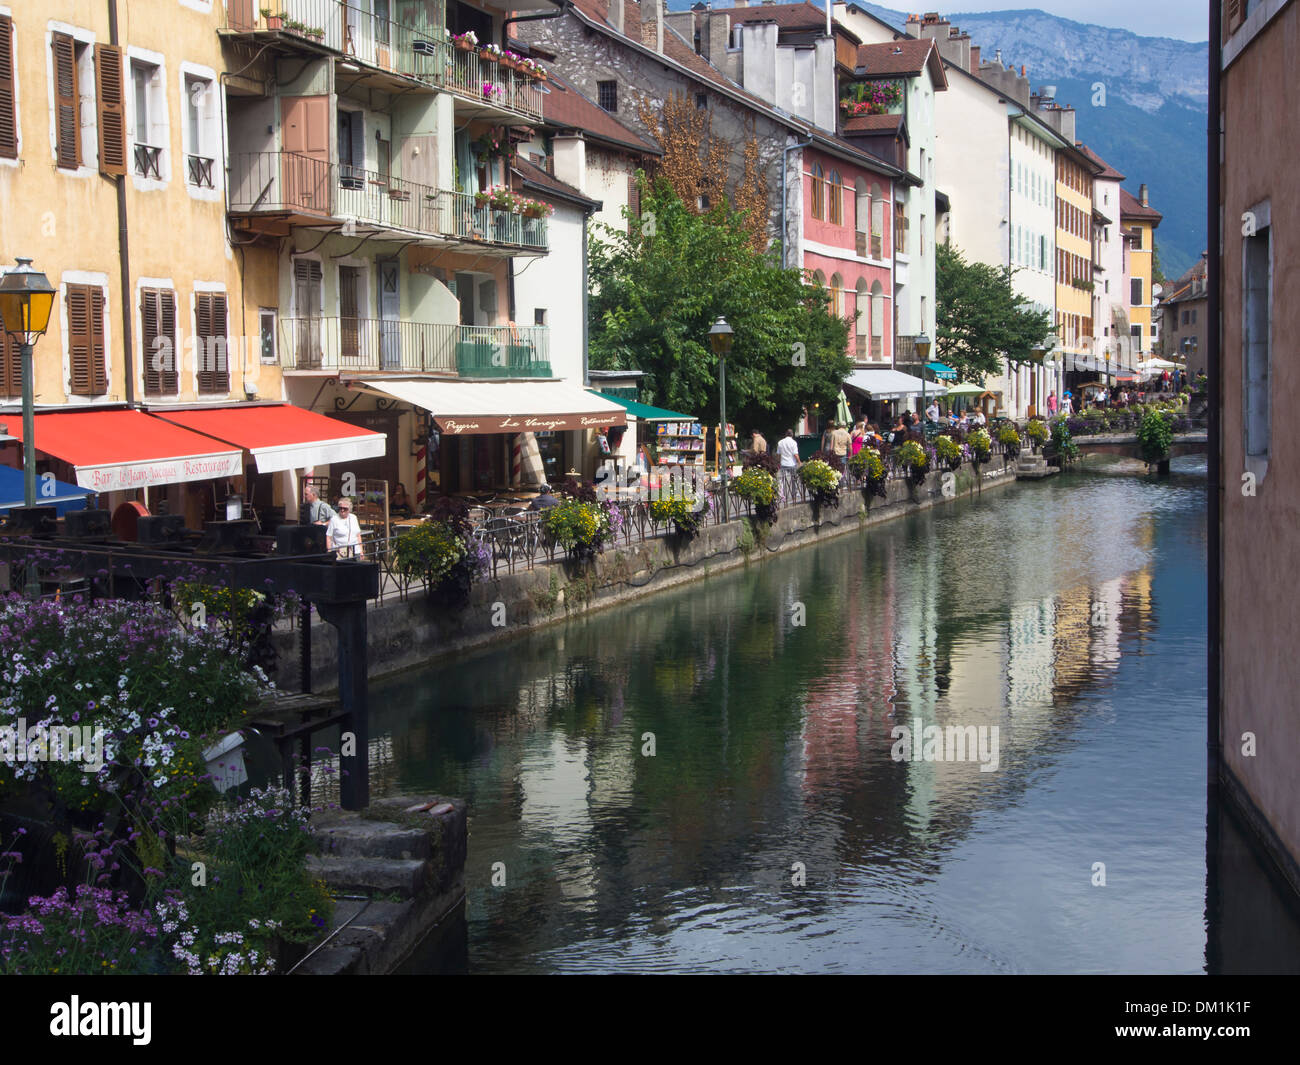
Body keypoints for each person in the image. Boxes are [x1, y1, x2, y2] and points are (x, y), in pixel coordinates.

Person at [776, 429, 800, 497]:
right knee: (794, 479)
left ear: (786, 434)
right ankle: (794, 493)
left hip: (783, 463)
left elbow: (778, 454)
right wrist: (799, 462)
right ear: (792, 434)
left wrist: (778, 462)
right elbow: (795, 454)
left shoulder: (780, 442)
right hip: (792, 463)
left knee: (782, 479)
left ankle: (781, 493)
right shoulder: (794, 442)